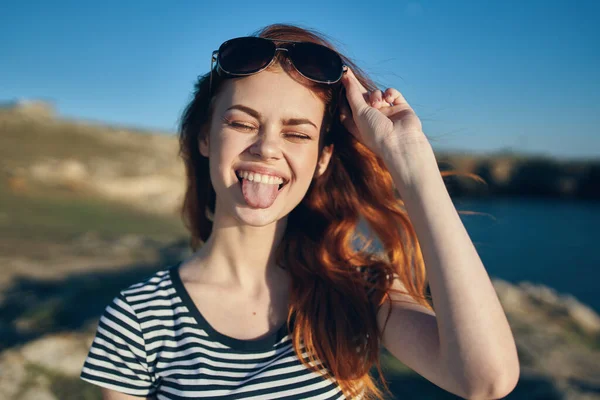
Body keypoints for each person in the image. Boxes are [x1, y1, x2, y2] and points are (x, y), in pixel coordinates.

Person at [79, 23, 520, 399]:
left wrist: (408, 156)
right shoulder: (138, 316)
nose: (267, 147)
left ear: (323, 159)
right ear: (205, 138)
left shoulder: (358, 286)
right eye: (242, 123)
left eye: (297, 134)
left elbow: (485, 379)